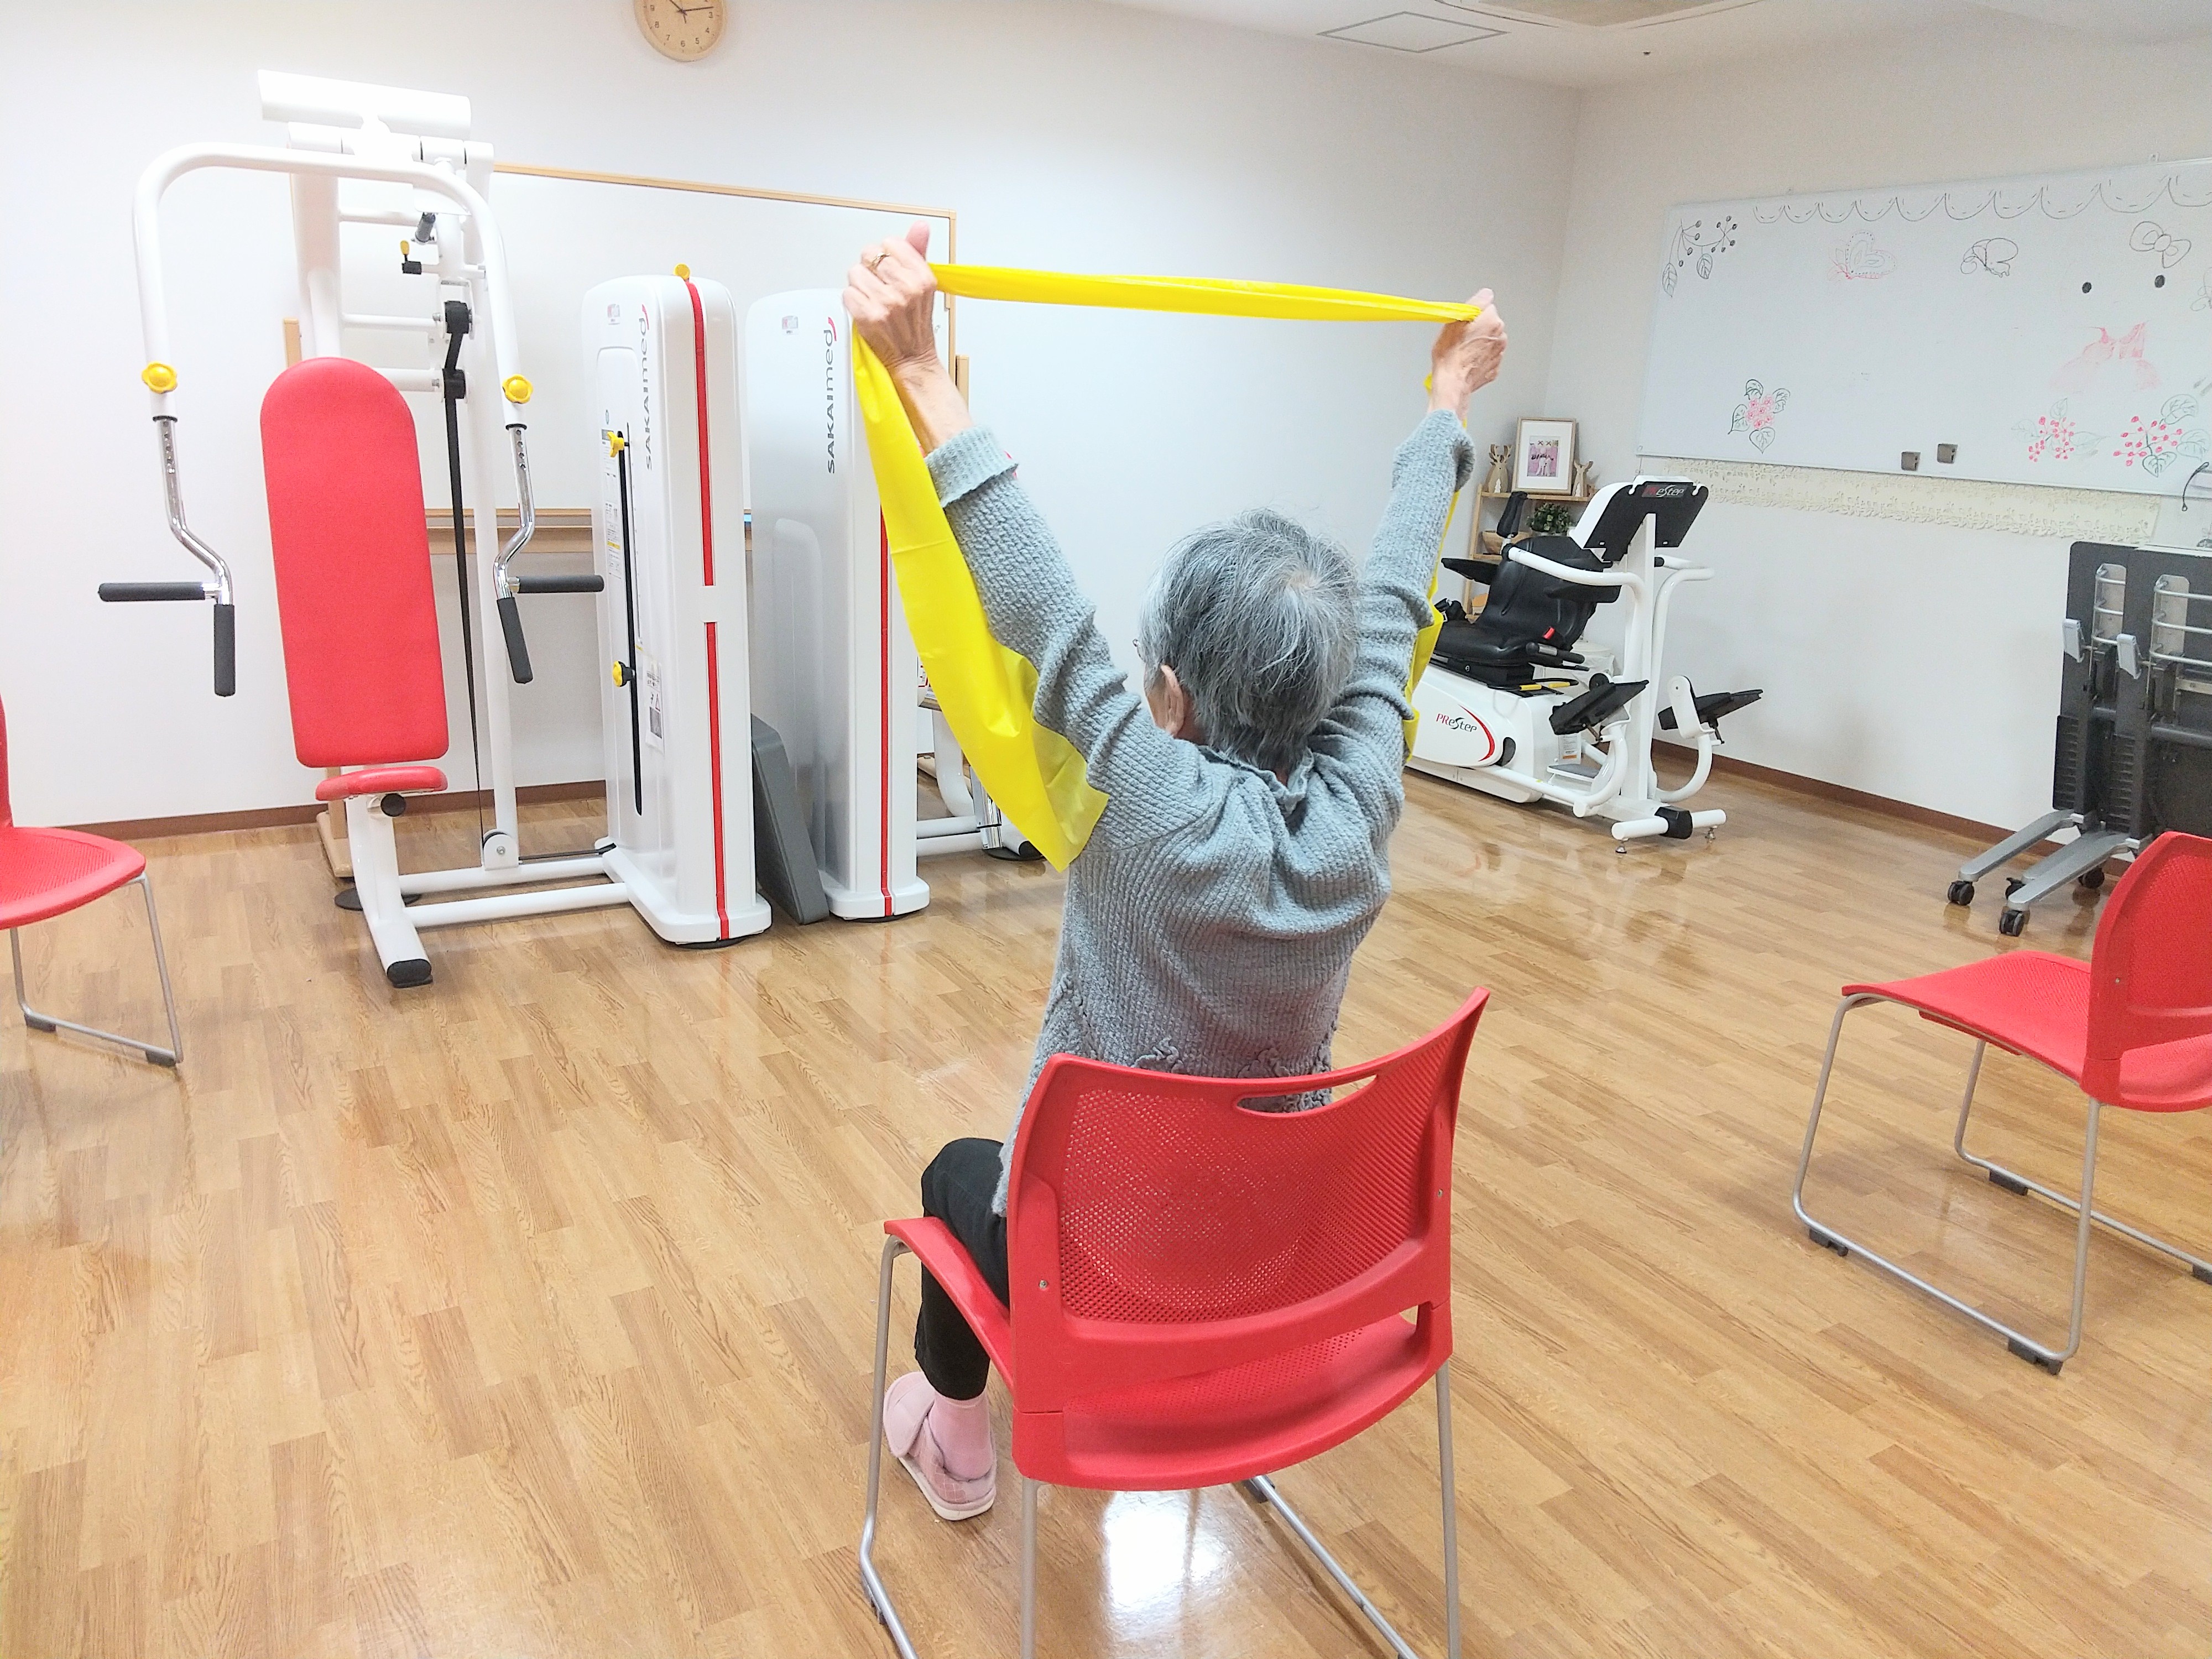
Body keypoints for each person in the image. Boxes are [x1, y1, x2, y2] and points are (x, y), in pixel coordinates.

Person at [846, 226, 1507, 1521]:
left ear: (1168, 691)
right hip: (1278, 1259)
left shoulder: (1142, 808)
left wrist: (917, 369)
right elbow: (1392, 594)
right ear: (1335, 691)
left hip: (1104, 1272)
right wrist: (1448, 399)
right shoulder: (1360, 805)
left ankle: (956, 1442)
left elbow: (1036, 601)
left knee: (954, 1176)